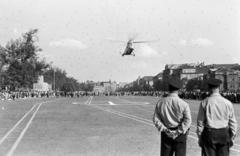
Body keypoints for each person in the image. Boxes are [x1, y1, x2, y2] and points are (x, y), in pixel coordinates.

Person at [196, 78, 238, 156]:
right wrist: (232, 136)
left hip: (209, 133)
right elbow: (233, 122)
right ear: (219, 88)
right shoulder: (227, 103)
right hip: (224, 133)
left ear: (209, 88)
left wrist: (200, 136)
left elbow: (200, 122)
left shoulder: (204, 102)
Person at [153, 77, 192, 156]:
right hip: (180, 135)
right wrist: (178, 131)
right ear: (179, 89)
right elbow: (188, 121)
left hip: (166, 134)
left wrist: (165, 129)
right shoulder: (184, 104)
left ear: (168, 88)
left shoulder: (160, 102)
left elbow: (156, 119)